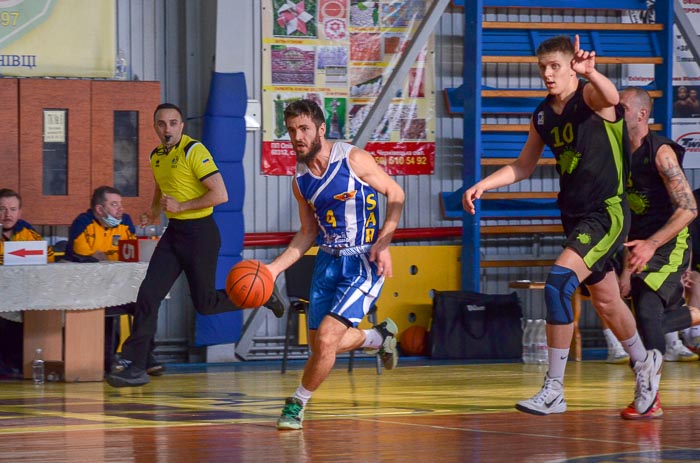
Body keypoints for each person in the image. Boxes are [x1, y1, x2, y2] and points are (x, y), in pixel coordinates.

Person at [462, 35, 662, 417]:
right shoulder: (542, 115)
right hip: (574, 216)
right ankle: (644, 361)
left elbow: (611, 96)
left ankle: (554, 388)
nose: (548, 74)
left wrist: (592, 72)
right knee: (606, 300)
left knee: (557, 284)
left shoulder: (590, 98)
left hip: (606, 214)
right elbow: (523, 165)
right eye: (542, 67)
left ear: (572, 66)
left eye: (555, 66)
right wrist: (483, 184)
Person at [106, 103, 285, 388]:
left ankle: (261, 296)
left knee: (205, 304)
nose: (167, 129)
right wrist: (154, 210)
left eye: (173, 123)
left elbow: (221, 194)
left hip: (201, 234)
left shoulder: (194, 151)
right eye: (161, 124)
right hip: (174, 233)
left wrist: (182, 205)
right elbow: (160, 186)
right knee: (147, 297)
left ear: (181, 126)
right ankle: (138, 365)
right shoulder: (157, 156)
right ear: (155, 127)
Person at [265, 99, 405, 430]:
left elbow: (395, 193)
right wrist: (272, 269)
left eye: (303, 128)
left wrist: (384, 240)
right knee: (319, 346)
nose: (296, 137)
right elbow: (307, 233)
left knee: (327, 340)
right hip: (327, 261)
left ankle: (296, 404)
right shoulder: (300, 182)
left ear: (321, 129)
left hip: (364, 260)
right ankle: (378, 337)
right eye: (291, 131)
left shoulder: (352, 158)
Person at [616, 86, 700, 418]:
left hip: (669, 242)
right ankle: (695, 316)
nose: (615, 113)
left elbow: (689, 209)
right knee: (642, 320)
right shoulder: (617, 152)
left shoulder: (660, 152)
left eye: (621, 108)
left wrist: (652, 244)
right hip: (637, 246)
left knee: (648, 310)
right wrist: (624, 269)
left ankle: (649, 396)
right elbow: (626, 216)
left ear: (641, 114)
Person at [65, 185, 165, 375]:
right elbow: (83, 256)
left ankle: (144, 357)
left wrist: (105, 255)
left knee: (147, 304)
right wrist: (108, 255)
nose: (121, 209)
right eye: (114, 205)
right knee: (107, 311)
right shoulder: (82, 223)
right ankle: (107, 361)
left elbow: (129, 254)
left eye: (121, 204)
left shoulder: (124, 221)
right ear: (99, 209)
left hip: (120, 284)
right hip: (91, 289)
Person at [0, 188, 55, 374]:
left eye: (13, 209)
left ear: (19, 212)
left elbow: (49, 258)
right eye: (2, 209)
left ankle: (17, 363)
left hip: (22, 296)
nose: (8, 214)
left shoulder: (29, 234)